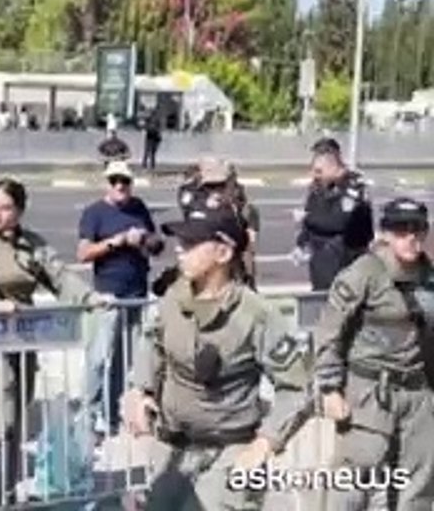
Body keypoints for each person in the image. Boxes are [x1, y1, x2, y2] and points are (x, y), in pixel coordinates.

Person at [123, 204, 313, 511]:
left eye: (192, 244)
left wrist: (265, 442)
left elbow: (299, 387)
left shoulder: (257, 316)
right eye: (180, 243)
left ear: (223, 254)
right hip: (173, 449)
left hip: (230, 452)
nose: (180, 251)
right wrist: (140, 390)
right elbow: (153, 342)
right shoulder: (174, 298)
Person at [0, 176, 103, 506]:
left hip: (22, 339)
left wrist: (88, 297)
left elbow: (58, 275)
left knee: (14, 424)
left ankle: (4, 493)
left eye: (6, 208)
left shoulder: (30, 243)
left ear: (19, 211)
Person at [314, 197, 434, 509]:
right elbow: (329, 332)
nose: (411, 237)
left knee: (416, 488)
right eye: (401, 229)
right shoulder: (364, 274)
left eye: (418, 229)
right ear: (386, 233)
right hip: (369, 394)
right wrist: (329, 389)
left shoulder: (429, 277)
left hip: (417, 395)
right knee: (353, 484)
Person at [76, 160, 163, 437]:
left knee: (123, 361)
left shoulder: (139, 208)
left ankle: (110, 414)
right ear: (107, 183)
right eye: (115, 181)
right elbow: (83, 253)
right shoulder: (94, 213)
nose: (120, 187)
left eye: (125, 182)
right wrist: (118, 241)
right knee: (99, 357)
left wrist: (145, 241)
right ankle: (88, 416)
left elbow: (157, 245)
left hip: (136, 292)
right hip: (108, 293)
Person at [295, 144, 373, 290]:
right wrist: (301, 243)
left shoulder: (353, 187)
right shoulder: (319, 187)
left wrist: (307, 218)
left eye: (319, 171)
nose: (314, 175)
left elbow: (338, 222)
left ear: (333, 168)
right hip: (321, 259)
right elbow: (310, 212)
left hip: (345, 260)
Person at [177, 157, 260, 287]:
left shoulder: (244, 211)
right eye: (210, 187)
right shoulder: (196, 209)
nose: (216, 192)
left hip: (231, 278)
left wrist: (250, 281)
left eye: (220, 186)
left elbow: (249, 249)